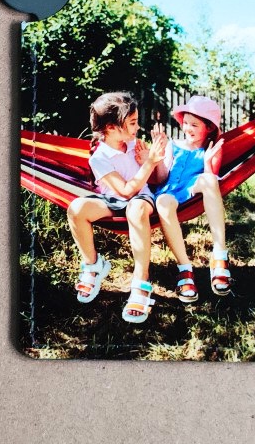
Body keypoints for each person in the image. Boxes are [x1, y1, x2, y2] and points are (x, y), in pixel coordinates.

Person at [66, 91, 166, 323]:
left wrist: (153, 160)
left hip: (141, 199)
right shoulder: (99, 158)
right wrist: (149, 163)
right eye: (132, 123)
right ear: (111, 128)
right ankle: (93, 265)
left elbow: (156, 180)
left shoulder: (135, 144)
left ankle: (141, 280)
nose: (137, 127)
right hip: (114, 200)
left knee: (135, 209)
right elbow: (124, 191)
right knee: (76, 208)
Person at [153, 95, 231, 302]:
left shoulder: (211, 149)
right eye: (185, 123)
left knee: (209, 179)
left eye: (194, 125)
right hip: (168, 192)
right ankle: (185, 268)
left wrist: (207, 161)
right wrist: (159, 156)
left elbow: (211, 182)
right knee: (162, 202)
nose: (188, 128)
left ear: (209, 128)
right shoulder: (173, 145)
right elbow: (161, 178)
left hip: (191, 189)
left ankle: (219, 255)